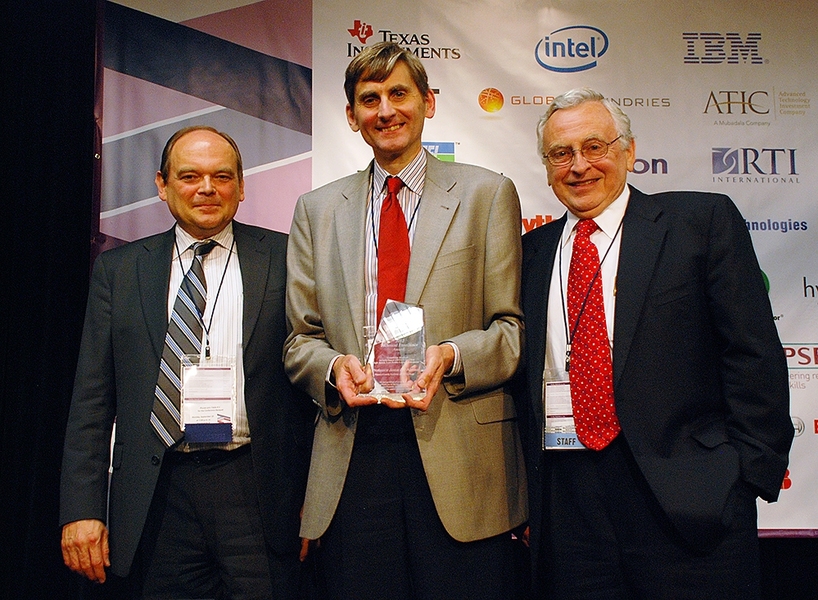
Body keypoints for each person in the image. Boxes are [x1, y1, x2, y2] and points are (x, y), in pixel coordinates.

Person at [513, 87, 794, 599]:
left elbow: (753, 355)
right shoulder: (529, 253)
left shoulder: (700, 223)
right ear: (547, 167)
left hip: (689, 501)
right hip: (568, 510)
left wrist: (742, 478)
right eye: (561, 153)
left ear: (629, 151)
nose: (579, 165)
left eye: (594, 147)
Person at [284, 41, 527, 600]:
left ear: (428, 103)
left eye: (399, 93)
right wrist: (334, 368)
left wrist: (450, 356)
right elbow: (300, 340)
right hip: (354, 453)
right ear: (352, 116)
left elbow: (510, 332)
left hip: (458, 452)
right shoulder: (317, 210)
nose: (386, 110)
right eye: (370, 99)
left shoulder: (487, 194)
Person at [59, 126, 314, 599]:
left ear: (241, 186)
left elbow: (311, 384)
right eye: (190, 176)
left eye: (222, 176)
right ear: (163, 185)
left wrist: (313, 498)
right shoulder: (119, 270)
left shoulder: (288, 257)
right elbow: (92, 401)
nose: (207, 189)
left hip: (257, 488)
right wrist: (82, 508)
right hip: (159, 492)